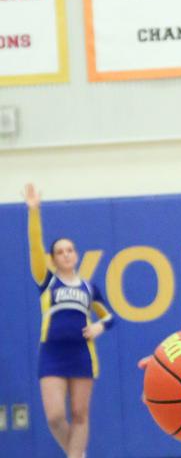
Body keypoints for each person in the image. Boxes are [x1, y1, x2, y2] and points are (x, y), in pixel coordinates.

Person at [24, 183, 114, 458]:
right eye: (60, 251)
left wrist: (100, 325)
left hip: (82, 354)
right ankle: (78, 454)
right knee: (54, 416)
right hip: (52, 353)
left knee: (79, 414)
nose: (65, 254)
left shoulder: (89, 288)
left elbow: (109, 315)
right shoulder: (47, 281)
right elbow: (35, 247)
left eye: (70, 250)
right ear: (53, 258)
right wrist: (34, 211)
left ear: (75, 255)